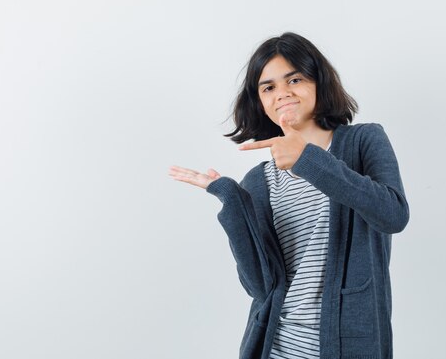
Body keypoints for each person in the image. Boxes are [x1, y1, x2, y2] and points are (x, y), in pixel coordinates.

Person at [169, 32, 409, 359]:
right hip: (276, 346)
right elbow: (259, 286)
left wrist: (308, 159)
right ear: (260, 101)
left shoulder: (363, 141)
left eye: (293, 79)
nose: (282, 93)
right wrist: (231, 198)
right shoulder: (258, 180)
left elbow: (393, 215)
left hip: (350, 345)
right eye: (268, 87)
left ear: (318, 82)